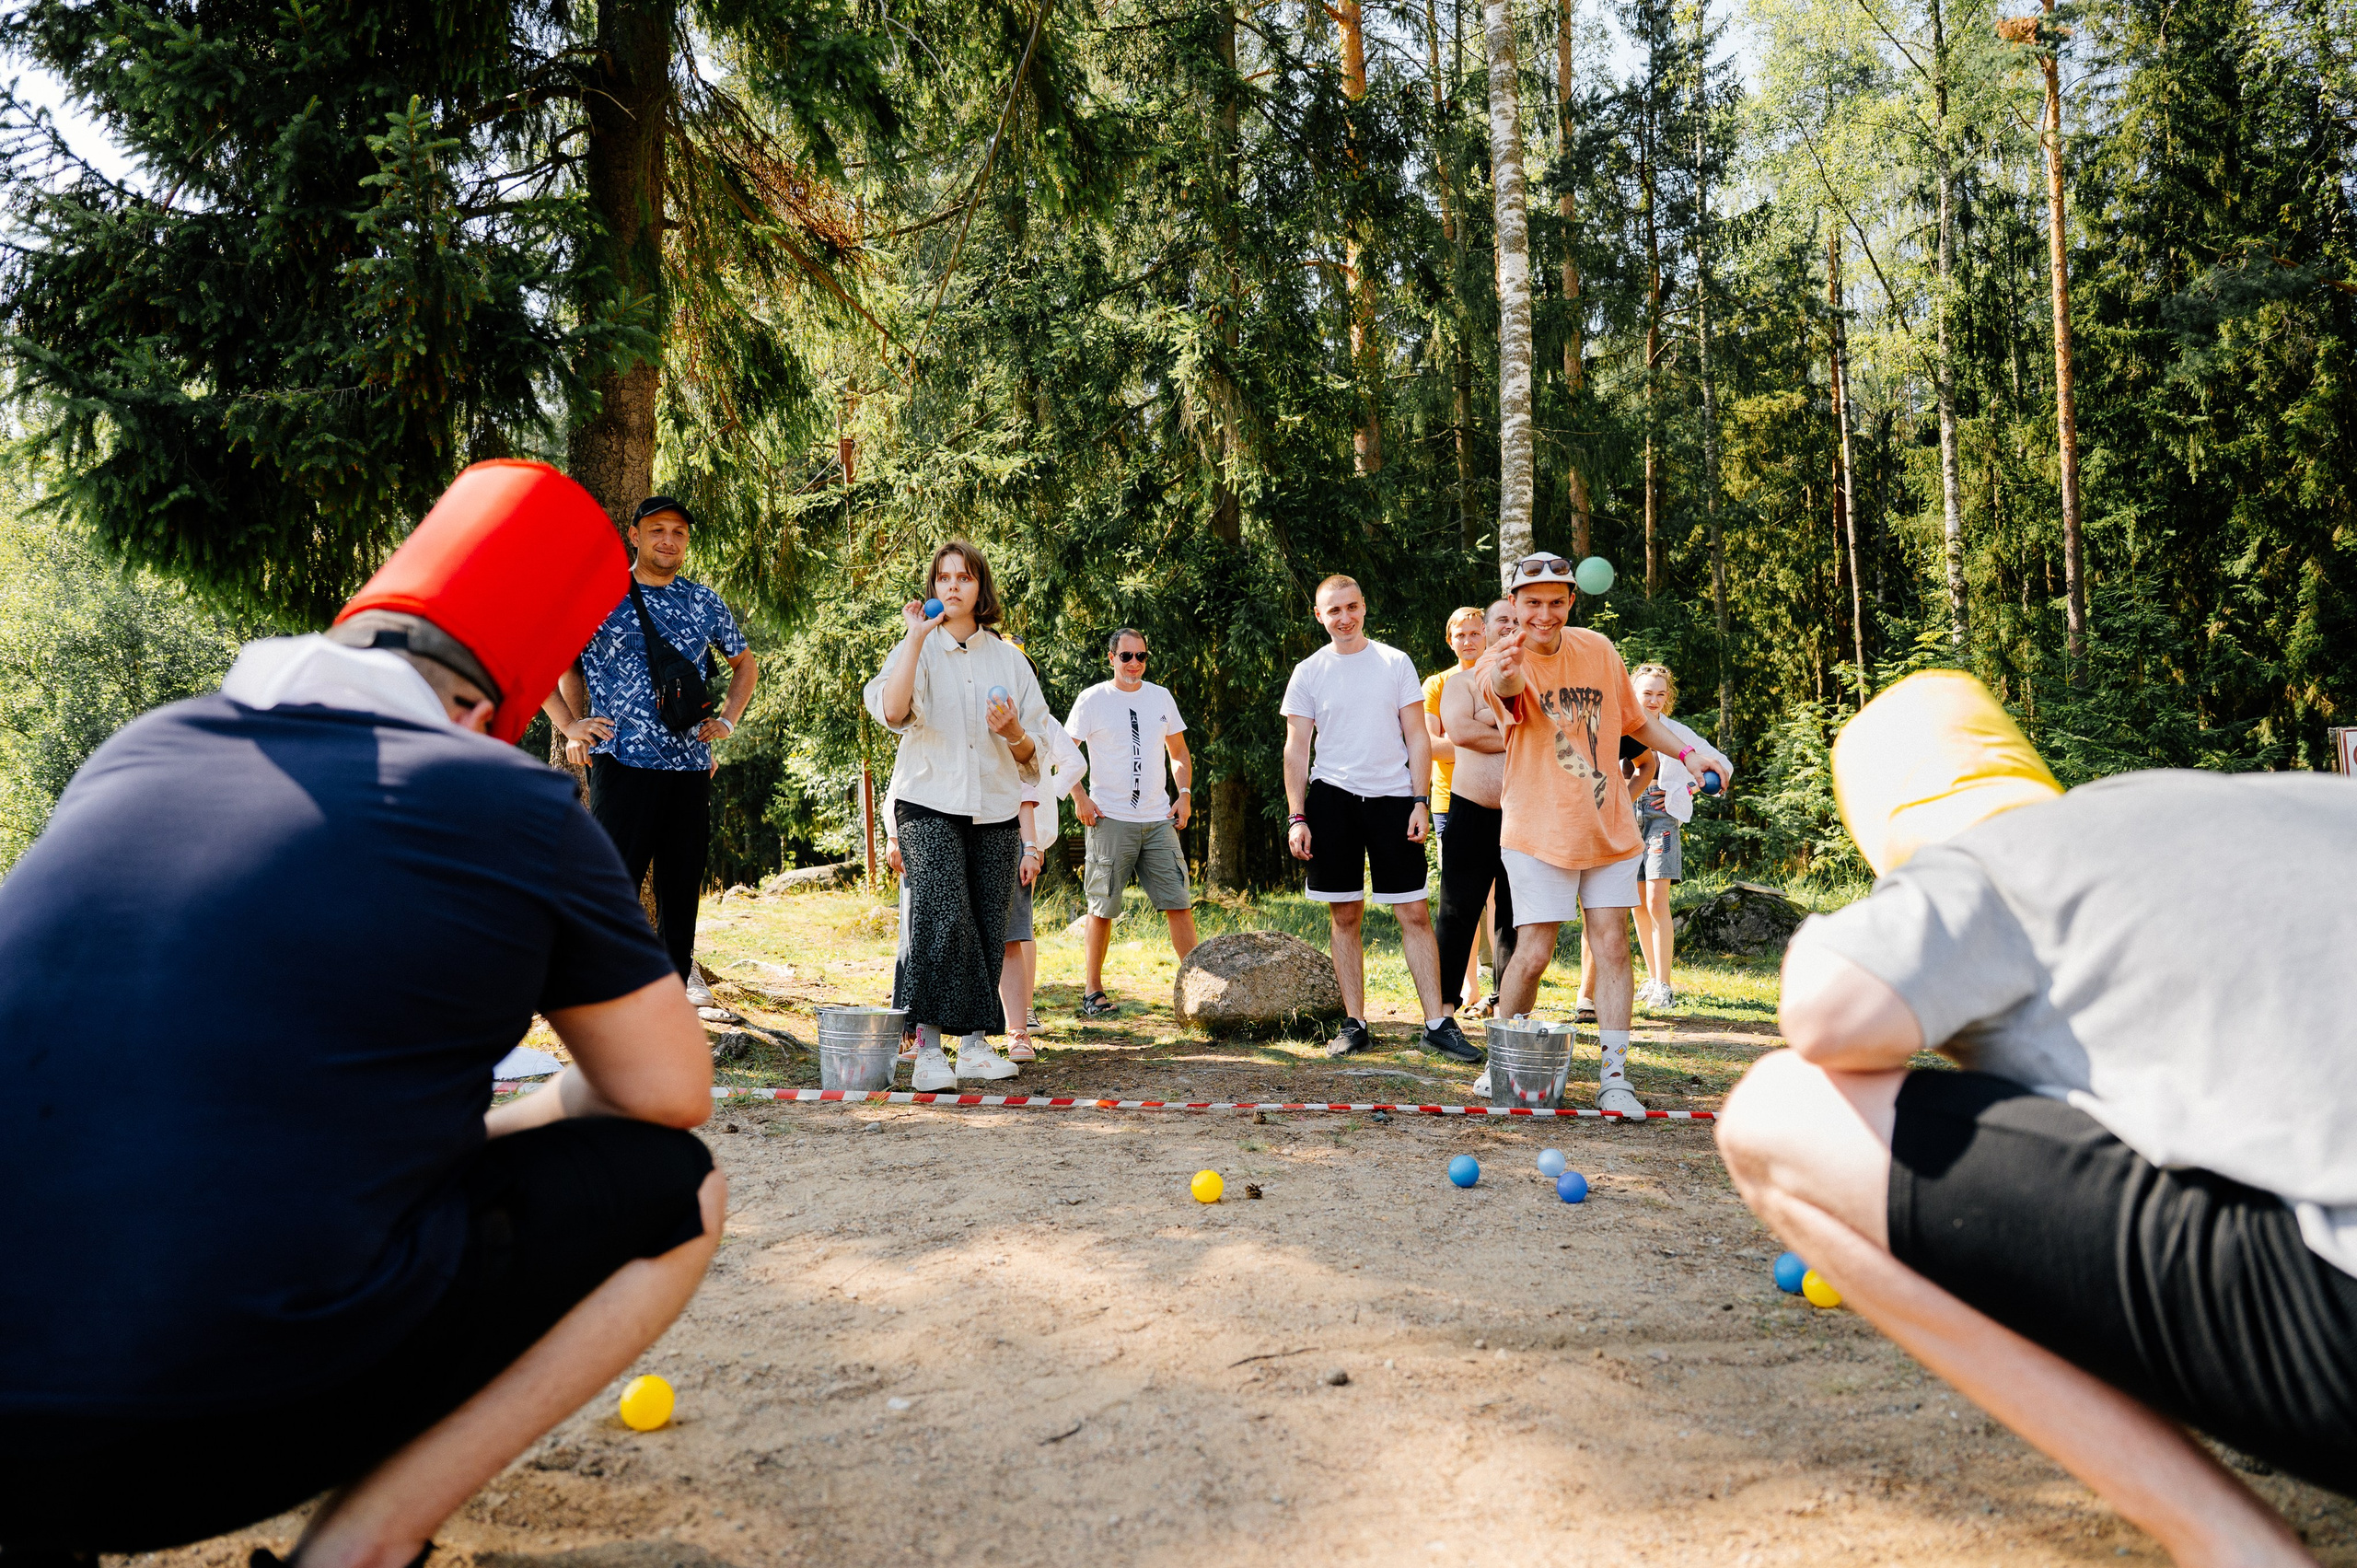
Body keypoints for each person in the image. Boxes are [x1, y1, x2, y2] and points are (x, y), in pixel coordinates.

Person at [0, 461, 724, 1566]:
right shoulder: (510, 799)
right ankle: (359, 1551)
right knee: (675, 1188)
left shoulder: (138, 748)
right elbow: (666, 1091)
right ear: (476, 712)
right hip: (198, 1434)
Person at [1716, 669, 2357, 1564]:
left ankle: (2238, 1548)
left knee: (1777, 1111)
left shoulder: (1995, 857)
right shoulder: (2292, 801)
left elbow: (1828, 1013)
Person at [1480, 553, 1733, 1114]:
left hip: (1610, 826)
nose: (1544, 614)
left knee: (1613, 944)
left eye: (1556, 602)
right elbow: (1505, 687)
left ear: (1572, 600)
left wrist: (1690, 755)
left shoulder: (1597, 649)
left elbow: (1637, 722)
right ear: (1514, 604)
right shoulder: (1499, 659)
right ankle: (1502, 1061)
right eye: (1532, 603)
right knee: (1534, 951)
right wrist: (1508, 666)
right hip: (1537, 829)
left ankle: (1614, 1077)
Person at [541, 494, 759, 1007]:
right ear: (634, 536)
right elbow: (553, 662)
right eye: (657, 530)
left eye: (679, 532)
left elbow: (745, 665)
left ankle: (669, 997)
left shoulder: (704, 602)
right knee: (613, 883)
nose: (669, 540)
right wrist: (571, 726)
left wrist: (728, 720)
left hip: (690, 767)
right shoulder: (598, 597)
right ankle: (600, 994)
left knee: (681, 890)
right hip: (622, 762)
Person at [865, 540, 1057, 1091]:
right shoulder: (917, 646)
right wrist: (913, 638)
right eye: (943, 577)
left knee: (986, 925)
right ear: (933, 587)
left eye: (964, 577)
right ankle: (928, 1050)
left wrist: (1013, 732)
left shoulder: (1010, 660)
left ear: (980, 588)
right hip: (927, 801)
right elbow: (893, 711)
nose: (953, 586)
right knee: (940, 917)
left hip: (994, 807)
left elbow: (1035, 753)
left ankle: (973, 1047)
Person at [1281, 575, 1478, 1063]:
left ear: (1364, 607)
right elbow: (1296, 749)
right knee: (1345, 914)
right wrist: (1297, 816)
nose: (1344, 617)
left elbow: (1417, 737)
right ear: (1319, 615)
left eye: (1351, 607)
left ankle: (1437, 1024)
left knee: (1414, 912)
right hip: (1332, 800)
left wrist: (1419, 800)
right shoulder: (1308, 671)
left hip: (1394, 799)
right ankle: (1355, 1024)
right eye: (1334, 610)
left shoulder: (1395, 662)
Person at [1064, 629, 1200, 1016]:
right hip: (1109, 819)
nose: (1134, 663)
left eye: (1141, 656)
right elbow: (1064, 752)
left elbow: (1179, 752)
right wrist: (1080, 798)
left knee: (1178, 902)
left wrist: (1185, 795)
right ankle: (1093, 992)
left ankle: (1197, 989)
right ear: (1111, 658)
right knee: (1102, 906)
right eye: (1126, 656)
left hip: (1158, 819)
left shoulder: (1160, 697)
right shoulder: (1092, 699)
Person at [1574, 662, 1706, 1016]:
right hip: (1624, 812)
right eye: (1647, 693)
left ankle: (1664, 984)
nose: (1654, 700)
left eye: (1661, 694)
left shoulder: (1676, 731)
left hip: (1661, 815)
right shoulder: (1617, 723)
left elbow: (1712, 767)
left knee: (1656, 898)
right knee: (1635, 903)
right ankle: (1651, 979)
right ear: (1632, 693)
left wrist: (1683, 790)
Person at [1434, 598, 1519, 1024]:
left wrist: (1491, 719)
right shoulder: (1461, 683)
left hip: (1524, 816)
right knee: (1457, 913)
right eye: (1502, 619)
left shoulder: (1538, 683)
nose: (1511, 625)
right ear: (1487, 628)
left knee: (1514, 916)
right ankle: (1442, 1011)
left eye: (1517, 620)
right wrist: (1519, 733)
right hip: (1469, 812)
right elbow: (1462, 732)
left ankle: (1508, 1007)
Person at [1425, 606, 1488, 999]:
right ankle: (1469, 987)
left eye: (1475, 633)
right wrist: (1480, 740)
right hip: (1449, 801)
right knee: (1459, 898)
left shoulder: (1500, 678)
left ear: (1486, 636)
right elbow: (1431, 745)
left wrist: (1462, 736)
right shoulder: (1436, 684)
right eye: (1460, 635)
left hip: (1500, 799)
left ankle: (1499, 990)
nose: (1468, 641)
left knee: (1496, 897)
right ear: (1450, 641)